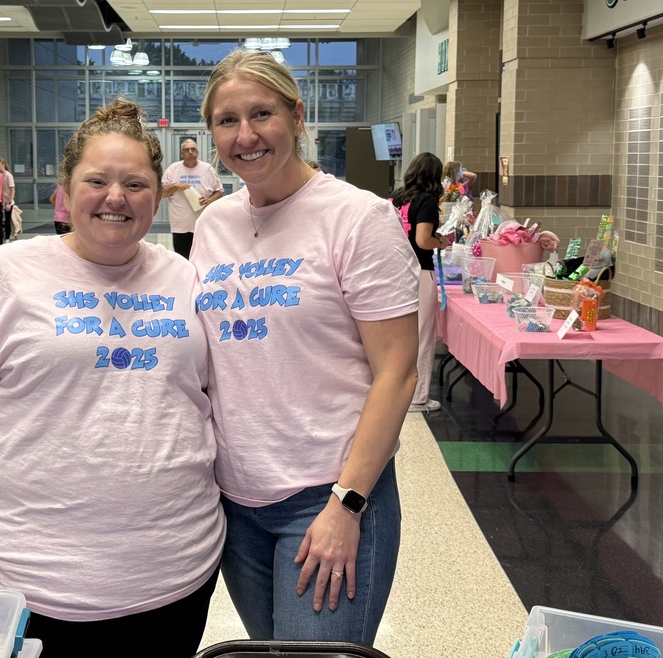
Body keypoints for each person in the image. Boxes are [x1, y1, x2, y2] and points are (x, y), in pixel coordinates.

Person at [0, 99, 224, 657]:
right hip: (30, 581)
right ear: (66, 186)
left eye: (135, 183)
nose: (115, 197)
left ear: (159, 192)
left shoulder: (186, 278)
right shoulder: (0, 276)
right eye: (97, 180)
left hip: (176, 571)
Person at [191, 50, 420, 644]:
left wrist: (347, 504)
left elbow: (397, 371)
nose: (246, 135)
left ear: (296, 116)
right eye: (227, 120)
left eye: (262, 113)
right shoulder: (214, 225)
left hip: (327, 495)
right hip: (236, 503)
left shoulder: (357, 218)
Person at [390, 153, 452, 413]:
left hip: (396, 273)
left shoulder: (397, 197)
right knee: (423, 335)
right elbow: (423, 240)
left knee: (398, 336)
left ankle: (395, 390)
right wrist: (442, 241)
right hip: (420, 272)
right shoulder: (426, 201)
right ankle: (417, 397)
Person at [161, 139, 223, 259]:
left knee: (202, 259)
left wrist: (209, 200)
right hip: (180, 225)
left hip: (202, 224)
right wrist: (175, 186)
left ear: (197, 152)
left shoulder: (207, 169)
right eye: (186, 150)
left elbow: (219, 191)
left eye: (193, 149)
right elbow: (162, 193)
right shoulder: (173, 169)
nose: (190, 152)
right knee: (183, 260)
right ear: (181, 154)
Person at [0, 157, 16, 241]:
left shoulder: (8, 175)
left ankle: (7, 238)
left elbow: (12, 189)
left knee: (7, 221)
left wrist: (9, 202)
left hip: (7, 201)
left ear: (3, 165)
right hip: (1, 201)